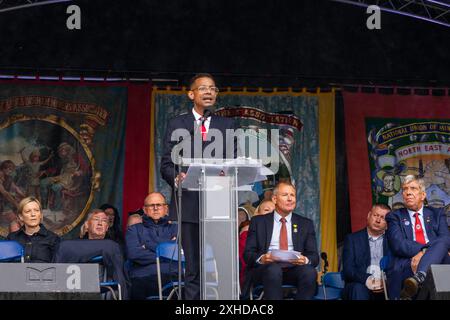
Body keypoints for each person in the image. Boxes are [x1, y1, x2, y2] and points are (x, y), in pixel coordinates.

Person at [160, 73, 237, 300]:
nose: (209, 92)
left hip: (218, 203)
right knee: (193, 266)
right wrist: (176, 178)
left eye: (213, 88)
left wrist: (227, 172)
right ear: (191, 94)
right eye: (203, 88)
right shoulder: (178, 124)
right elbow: (166, 163)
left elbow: (233, 160)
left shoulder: (227, 124)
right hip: (189, 203)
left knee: (223, 263)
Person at [243, 182, 319, 300]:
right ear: (274, 199)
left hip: (294, 269)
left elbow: (314, 257)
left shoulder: (305, 224)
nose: (290, 199)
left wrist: (305, 260)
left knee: (309, 272)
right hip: (266, 270)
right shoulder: (258, 222)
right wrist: (262, 258)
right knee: (273, 269)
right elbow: (248, 254)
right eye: (285, 195)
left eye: (292, 195)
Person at [386, 175, 450, 299]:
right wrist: (427, 251)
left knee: (444, 243)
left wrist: (424, 253)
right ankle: (419, 277)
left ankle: (420, 276)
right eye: (405, 189)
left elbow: (446, 238)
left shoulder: (437, 213)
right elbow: (399, 245)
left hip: (438, 263)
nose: (408, 192)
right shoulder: (394, 216)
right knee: (440, 254)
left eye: (413, 188)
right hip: (408, 263)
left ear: (423, 195)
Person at [125, 192, 177, 300]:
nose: (155, 208)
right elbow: (134, 254)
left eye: (159, 205)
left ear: (166, 208)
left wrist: (148, 246)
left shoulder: (177, 229)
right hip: (144, 277)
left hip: (173, 276)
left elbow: (182, 253)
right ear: (144, 210)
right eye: (151, 205)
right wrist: (167, 251)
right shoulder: (134, 229)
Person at [342, 203, 391, 300]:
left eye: (383, 217)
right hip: (360, 284)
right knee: (358, 288)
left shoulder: (393, 241)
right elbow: (348, 270)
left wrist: (385, 281)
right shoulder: (352, 239)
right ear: (368, 216)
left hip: (386, 285)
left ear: (387, 222)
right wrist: (367, 279)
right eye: (375, 215)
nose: (378, 220)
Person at [7, 196, 60, 262]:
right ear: (21, 217)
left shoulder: (53, 239)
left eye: (36, 210)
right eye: (28, 211)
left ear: (40, 215)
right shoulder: (12, 238)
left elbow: (58, 268)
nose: (33, 214)